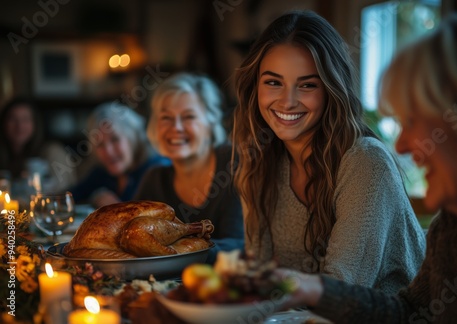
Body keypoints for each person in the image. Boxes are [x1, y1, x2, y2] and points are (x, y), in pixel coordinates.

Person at [273, 8, 457, 323]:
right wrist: (314, 289)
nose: (402, 144)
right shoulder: (455, 226)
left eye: (415, 120)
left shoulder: (364, 160)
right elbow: (409, 314)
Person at [231, 10, 426, 295]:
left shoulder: (364, 163)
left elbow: (340, 293)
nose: (287, 102)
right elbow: (258, 274)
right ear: (255, 86)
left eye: (307, 85)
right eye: (273, 82)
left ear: (331, 89)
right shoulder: (259, 161)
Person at [134, 72, 244, 264]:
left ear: (211, 122)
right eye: (166, 118)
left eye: (188, 117)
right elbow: (130, 238)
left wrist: (172, 251)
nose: (176, 127)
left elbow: (240, 245)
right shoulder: (155, 179)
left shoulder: (235, 164)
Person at [70, 101, 171, 208]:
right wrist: (95, 196)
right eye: (100, 144)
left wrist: (118, 207)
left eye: (115, 139)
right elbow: (68, 198)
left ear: (132, 138)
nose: (109, 151)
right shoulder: (102, 172)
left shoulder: (157, 170)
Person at [0, 97, 76, 205]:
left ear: (35, 124)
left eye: (25, 119)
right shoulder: (4, 157)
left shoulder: (52, 152)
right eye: (12, 119)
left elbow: (63, 192)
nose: (19, 125)